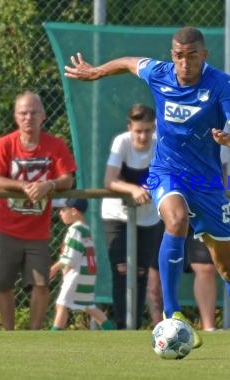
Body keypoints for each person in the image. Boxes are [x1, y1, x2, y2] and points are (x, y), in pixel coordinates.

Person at [64, 26, 230, 357]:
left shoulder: (222, 85)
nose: (184, 64)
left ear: (205, 56)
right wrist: (96, 72)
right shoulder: (160, 73)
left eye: (192, 56)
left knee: (228, 267)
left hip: (207, 183)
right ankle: (173, 313)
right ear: (172, 56)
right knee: (176, 219)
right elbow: (130, 62)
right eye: (178, 56)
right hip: (167, 172)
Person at [0, 91, 77, 330]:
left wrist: (48, 185)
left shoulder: (55, 145)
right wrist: (23, 186)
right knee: (2, 284)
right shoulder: (4, 144)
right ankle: (9, 333)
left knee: (41, 283)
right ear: (16, 117)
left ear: (43, 116)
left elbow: (67, 179)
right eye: (23, 113)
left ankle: (35, 332)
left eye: (33, 112)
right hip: (3, 228)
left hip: (38, 232)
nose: (28, 117)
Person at [101, 103, 165, 329]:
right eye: (138, 130)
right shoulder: (122, 142)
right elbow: (109, 180)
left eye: (148, 130)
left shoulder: (160, 144)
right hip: (116, 215)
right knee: (121, 269)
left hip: (148, 218)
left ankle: (134, 328)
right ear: (130, 128)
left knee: (140, 272)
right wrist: (134, 190)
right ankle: (121, 328)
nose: (143, 136)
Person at [49, 198, 115, 331]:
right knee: (89, 305)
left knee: (61, 304)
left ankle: (53, 336)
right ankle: (110, 330)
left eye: (63, 210)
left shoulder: (75, 230)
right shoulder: (85, 229)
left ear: (73, 211)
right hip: (87, 274)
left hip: (77, 274)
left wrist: (54, 269)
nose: (60, 213)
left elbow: (71, 257)